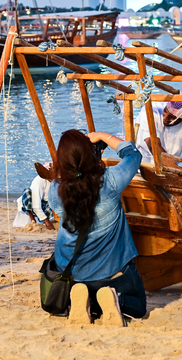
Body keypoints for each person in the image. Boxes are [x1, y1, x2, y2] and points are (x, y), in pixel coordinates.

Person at [48, 129, 146, 326]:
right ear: (89, 153)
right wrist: (103, 137)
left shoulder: (55, 191)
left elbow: (73, 179)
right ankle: (112, 299)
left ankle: (85, 299)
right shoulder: (110, 181)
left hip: (73, 277)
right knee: (139, 306)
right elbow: (134, 154)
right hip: (113, 275)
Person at [134, 92, 182, 166]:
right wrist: (175, 168)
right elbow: (153, 144)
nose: (165, 118)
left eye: (172, 117)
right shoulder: (152, 109)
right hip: (141, 163)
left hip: (172, 168)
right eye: (165, 111)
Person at [16, 164, 55, 231]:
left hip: (47, 203)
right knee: (27, 192)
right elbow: (36, 207)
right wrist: (47, 223)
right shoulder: (38, 181)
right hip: (32, 204)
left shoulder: (59, 181)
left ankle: (45, 220)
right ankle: (32, 219)